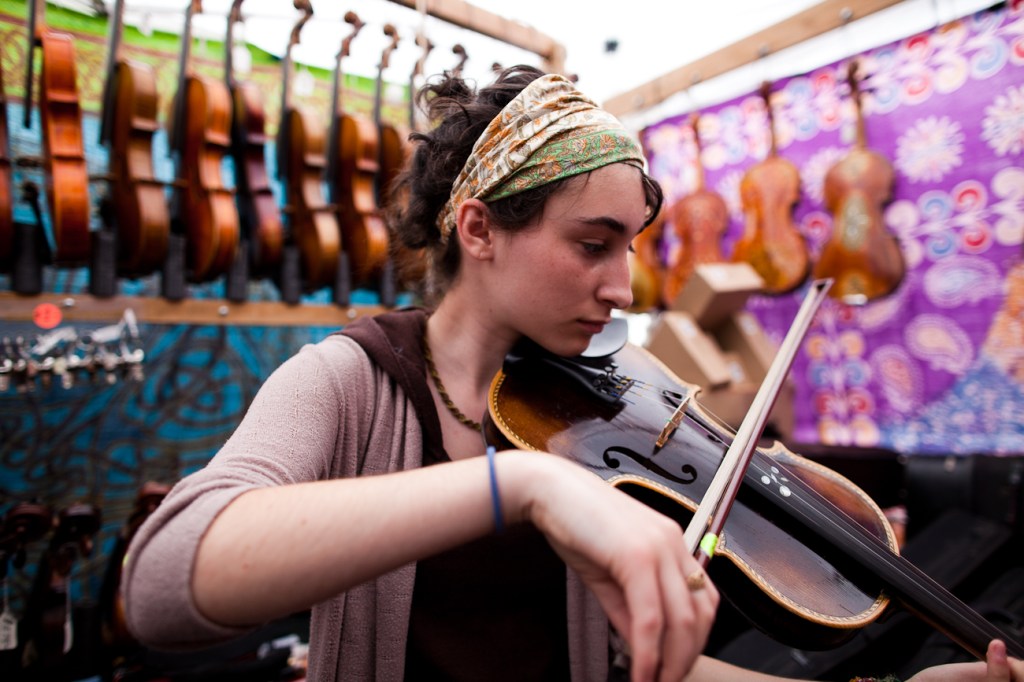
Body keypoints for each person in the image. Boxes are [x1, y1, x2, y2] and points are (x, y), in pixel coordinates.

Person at [122, 66, 1023, 682]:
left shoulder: (604, 408)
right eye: (592, 245)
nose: (623, 286)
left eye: (628, 247)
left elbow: (631, 666)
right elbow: (161, 585)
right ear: (477, 230)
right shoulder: (350, 383)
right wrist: (523, 483)